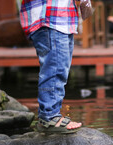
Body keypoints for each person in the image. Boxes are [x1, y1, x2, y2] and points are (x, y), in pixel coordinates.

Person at [18, 0, 82, 133]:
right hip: (49, 18)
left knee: (59, 68)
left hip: (62, 19)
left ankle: (50, 115)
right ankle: (49, 116)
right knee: (55, 68)